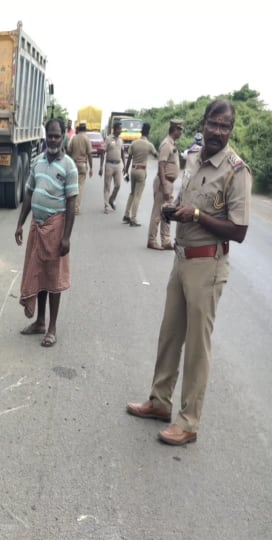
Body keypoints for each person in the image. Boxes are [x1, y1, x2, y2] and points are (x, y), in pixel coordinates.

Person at [126, 100, 252, 446]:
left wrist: (195, 215)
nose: (218, 131)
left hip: (207, 266)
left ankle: (189, 421)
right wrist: (173, 211)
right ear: (204, 123)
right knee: (169, 336)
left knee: (197, 347)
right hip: (181, 259)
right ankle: (159, 401)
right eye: (214, 123)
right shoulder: (194, 157)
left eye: (225, 126)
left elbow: (239, 231)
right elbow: (185, 199)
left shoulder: (235, 171)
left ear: (231, 129)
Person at [15, 118, 78, 348]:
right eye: (50, 135)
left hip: (56, 229)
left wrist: (66, 237)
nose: (52, 140)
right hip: (37, 227)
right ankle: (40, 322)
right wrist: (20, 224)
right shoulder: (38, 162)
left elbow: (71, 203)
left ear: (63, 137)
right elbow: (30, 193)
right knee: (39, 275)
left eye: (56, 136)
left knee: (53, 280)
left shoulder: (69, 166)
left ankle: (52, 328)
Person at [147, 119, 183, 249]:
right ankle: (152, 240)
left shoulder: (172, 143)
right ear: (174, 129)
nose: (181, 132)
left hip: (169, 182)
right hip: (164, 182)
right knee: (158, 212)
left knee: (167, 212)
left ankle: (166, 240)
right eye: (180, 129)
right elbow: (161, 165)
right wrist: (164, 186)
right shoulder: (167, 144)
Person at [122, 122, 157, 227]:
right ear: (148, 133)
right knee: (137, 195)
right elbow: (156, 155)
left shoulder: (134, 143)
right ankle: (133, 219)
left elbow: (129, 159)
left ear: (141, 131)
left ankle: (126, 215)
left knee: (132, 193)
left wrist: (125, 172)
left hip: (132, 170)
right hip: (141, 171)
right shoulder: (149, 145)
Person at [67, 121, 94, 215]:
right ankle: (76, 208)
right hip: (82, 164)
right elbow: (90, 154)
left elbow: (69, 151)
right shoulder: (86, 139)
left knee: (73, 186)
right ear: (85, 129)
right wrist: (91, 168)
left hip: (73, 164)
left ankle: (69, 206)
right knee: (80, 187)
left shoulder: (74, 138)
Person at [99, 120, 125, 214]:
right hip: (109, 164)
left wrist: (124, 166)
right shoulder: (108, 139)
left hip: (118, 165)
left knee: (118, 185)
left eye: (121, 129)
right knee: (107, 186)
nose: (121, 130)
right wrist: (101, 167)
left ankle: (112, 199)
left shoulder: (121, 140)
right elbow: (102, 153)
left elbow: (122, 153)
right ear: (115, 129)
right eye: (119, 129)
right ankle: (106, 205)